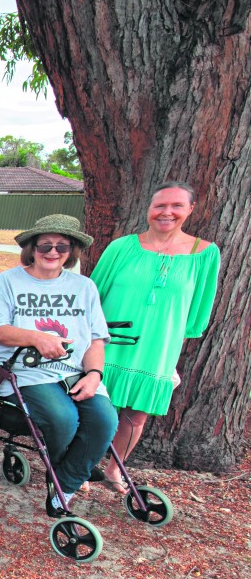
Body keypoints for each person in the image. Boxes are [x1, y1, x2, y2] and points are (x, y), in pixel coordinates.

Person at [0, 214, 118, 517]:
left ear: (71, 250)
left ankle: (65, 482)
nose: (53, 252)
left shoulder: (84, 287)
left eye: (62, 246)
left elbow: (95, 339)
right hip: (26, 372)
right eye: (45, 245)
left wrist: (94, 374)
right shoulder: (9, 281)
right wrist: (36, 338)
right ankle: (76, 470)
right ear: (32, 248)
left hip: (75, 371)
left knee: (104, 420)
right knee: (62, 418)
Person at [90, 181, 220, 490]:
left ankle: (114, 469)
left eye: (177, 206)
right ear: (149, 208)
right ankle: (81, 467)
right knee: (92, 408)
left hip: (158, 347)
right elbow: (92, 293)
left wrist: (175, 344)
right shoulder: (122, 247)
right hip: (108, 343)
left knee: (136, 416)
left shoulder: (205, 254)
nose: (167, 212)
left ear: (190, 209)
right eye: (160, 205)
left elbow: (199, 307)